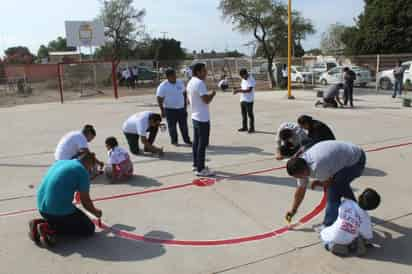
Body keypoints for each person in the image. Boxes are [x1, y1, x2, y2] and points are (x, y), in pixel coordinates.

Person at [285, 141, 366, 227]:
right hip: (346, 155)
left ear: (303, 171)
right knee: (341, 186)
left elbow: (328, 183)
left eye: (299, 176)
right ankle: (356, 211)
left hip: (356, 161)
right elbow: (301, 190)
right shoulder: (301, 163)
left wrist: (318, 183)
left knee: (333, 191)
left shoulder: (318, 167)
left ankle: (329, 225)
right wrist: (293, 210)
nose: (299, 178)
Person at [29, 152, 102, 247]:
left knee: (67, 216)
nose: (90, 170)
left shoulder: (61, 162)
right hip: (58, 211)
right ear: (89, 163)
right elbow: (86, 202)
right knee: (89, 229)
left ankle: (44, 223)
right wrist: (96, 212)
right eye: (91, 167)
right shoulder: (81, 171)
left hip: (41, 207)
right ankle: (49, 228)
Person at [321, 188, 381, 257]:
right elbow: (368, 236)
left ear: (360, 197)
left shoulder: (347, 202)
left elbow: (339, 210)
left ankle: (330, 246)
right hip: (348, 240)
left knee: (323, 232)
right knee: (359, 233)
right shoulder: (366, 218)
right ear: (373, 208)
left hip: (334, 235)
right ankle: (353, 245)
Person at [187, 63, 216, 177]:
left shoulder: (190, 82)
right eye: (204, 71)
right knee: (202, 144)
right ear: (198, 72)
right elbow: (206, 100)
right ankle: (201, 168)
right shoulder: (199, 83)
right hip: (202, 118)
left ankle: (196, 164)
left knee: (196, 142)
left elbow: (188, 100)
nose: (206, 73)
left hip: (195, 116)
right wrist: (212, 94)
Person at [156, 68, 192, 146]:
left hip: (181, 109)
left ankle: (187, 140)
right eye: (173, 75)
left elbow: (184, 93)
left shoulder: (179, 82)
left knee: (184, 126)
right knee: (172, 127)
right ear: (168, 77)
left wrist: (185, 106)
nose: (175, 77)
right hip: (169, 110)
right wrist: (162, 111)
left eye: (175, 75)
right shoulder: (163, 86)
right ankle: (174, 140)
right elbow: (159, 98)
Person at [233, 69, 256, 133]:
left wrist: (238, 91)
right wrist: (237, 88)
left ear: (245, 74)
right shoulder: (243, 79)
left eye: (243, 76)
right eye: (241, 77)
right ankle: (245, 127)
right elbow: (242, 86)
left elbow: (249, 90)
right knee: (243, 114)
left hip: (249, 100)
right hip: (242, 99)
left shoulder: (251, 79)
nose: (242, 78)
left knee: (250, 115)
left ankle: (252, 128)